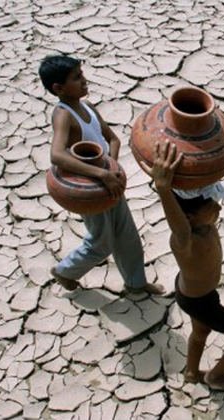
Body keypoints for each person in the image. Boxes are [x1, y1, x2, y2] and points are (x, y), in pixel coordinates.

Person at [38, 55, 164, 295]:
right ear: (58, 88)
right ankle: (66, 271)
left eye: (82, 74)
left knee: (128, 237)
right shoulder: (63, 115)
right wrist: (101, 174)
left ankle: (136, 284)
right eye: (77, 78)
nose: (84, 81)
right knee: (101, 242)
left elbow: (112, 139)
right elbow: (57, 155)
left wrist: (112, 168)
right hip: (89, 191)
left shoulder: (87, 107)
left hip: (109, 183)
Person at [139, 141, 224, 391]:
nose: (218, 206)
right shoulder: (186, 239)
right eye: (211, 205)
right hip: (200, 301)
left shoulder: (203, 224)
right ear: (189, 217)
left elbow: (203, 183)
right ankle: (215, 376)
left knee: (200, 333)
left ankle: (191, 373)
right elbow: (177, 223)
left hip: (192, 294)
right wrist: (163, 188)